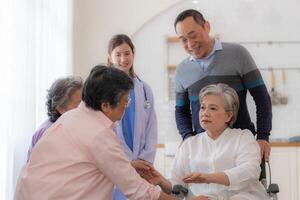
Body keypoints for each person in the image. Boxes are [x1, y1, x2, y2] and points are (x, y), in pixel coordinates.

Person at [14, 65, 177, 200]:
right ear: (105, 105)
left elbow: (85, 163)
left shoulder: (72, 116)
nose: (126, 107)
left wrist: (128, 166)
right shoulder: (99, 135)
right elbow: (138, 190)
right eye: (125, 102)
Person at [174, 9, 272, 161]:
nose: (190, 44)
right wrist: (187, 138)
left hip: (241, 147)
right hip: (203, 150)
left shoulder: (238, 54)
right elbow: (181, 111)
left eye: (193, 35)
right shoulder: (182, 70)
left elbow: (261, 98)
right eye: (183, 39)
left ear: (207, 26)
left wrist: (263, 136)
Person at [147, 84, 269, 200]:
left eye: (213, 108)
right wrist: (161, 181)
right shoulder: (189, 144)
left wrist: (208, 178)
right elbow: (177, 186)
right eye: (202, 107)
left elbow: (250, 171)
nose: (205, 113)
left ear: (228, 115)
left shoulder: (243, 137)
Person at [107, 34, 158, 200]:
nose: (123, 59)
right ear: (110, 58)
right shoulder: (104, 90)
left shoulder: (144, 89)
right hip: (115, 162)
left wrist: (145, 160)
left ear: (133, 54)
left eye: (127, 53)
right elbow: (106, 129)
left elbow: (152, 126)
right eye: (118, 54)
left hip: (142, 165)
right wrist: (128, 162)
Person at [27, 76, 83, 162]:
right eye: (78, 104)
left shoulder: (72, 125)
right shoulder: (47, 134)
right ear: (61, 108)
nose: (83, 108)